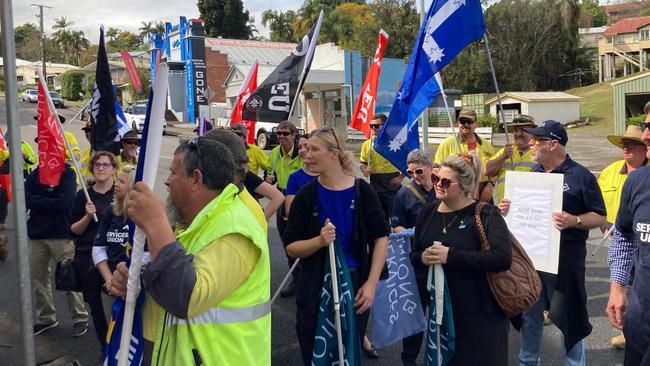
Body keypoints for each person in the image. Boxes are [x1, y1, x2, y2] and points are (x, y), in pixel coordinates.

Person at [110, 137, 271, 365]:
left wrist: (157, 224)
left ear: (196, 179)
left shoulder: (235, 229)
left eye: (173, 173)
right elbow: (180, 272)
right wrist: (139, 282)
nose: (166, 181)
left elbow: (187, 297)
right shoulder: (198, 222)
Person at [500, 120, 606, 366]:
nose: (531, 144)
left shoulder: (581, 176)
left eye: (537, 140)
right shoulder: (533, 175)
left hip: (566, 261)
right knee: (530, 316)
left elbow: (599, 216)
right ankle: (527, 361)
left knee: (570, 319)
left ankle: (574, 363)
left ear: (553, 144)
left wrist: (575, 219)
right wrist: (508, 209)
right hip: (533, 262)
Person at [284, 126, 390, 365]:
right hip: (314, 287)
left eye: (314, 149)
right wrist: (319, 241)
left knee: (348, 353)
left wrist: (371, 284)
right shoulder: (306, 195)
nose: (306, 154)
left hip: (353, 286)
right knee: (315, 353)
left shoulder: (362, 191)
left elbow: (381, 236)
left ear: (334, 153)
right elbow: (291, 246)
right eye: (306, 149)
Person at [411, 153, 511, 366]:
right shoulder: (428, 213)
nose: (438, 184)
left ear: (465, 186)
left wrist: (451, 256)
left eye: (445, 181)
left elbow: (502, 258)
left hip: (481, 316)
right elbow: (414, 255)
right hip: (442, 313)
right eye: (437, 178)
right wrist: (423, 257)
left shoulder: (486, 214)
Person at [606, 114, 650, 366]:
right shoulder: (637, 181)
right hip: (640, 320)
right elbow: (623, 234)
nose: (645, 136)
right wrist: (617, 286)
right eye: (646, 127)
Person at [27, 163, 89, 337]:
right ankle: (46, 318)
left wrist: (38, 201)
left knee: (69, 277)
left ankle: (80, 317)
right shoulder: (35, 174)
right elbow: (25, 198)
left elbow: (63, 202)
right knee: (39, 279)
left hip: (61, 233)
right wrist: (49, 200)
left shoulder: (67, 174)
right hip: (37, 234)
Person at [69, 151, 117, 351]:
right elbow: (73, 230)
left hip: (114, 258)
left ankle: (119, 351)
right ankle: (105, 350)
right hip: (87, 258)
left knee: (116, 308)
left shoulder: (120, 194)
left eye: (106, 165)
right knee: (96, 309)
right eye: (97, 165)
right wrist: (88, 216)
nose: (101, 168)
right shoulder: (83, 196)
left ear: (114, 169)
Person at [205, 128, 284, 222]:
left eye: (238, 134)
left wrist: (261, 221)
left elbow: (277, 196)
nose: (235, 137)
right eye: (232, 134)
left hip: (249, 211)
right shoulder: (213, 176)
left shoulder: (245, 171)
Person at [265, 120, 303, 296]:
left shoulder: (302, 153)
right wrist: (268, 180)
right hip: (281, 199)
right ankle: (297, 279)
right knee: (288, 245)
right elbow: (268, 175)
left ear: (294, 135)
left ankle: (308, 279)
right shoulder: (274, 153)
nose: (280, 136)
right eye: (278, 133)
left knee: (305, 243)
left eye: (285, 133)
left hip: (301, 198)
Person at [434, 108, 496, 202]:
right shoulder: (446, 144)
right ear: (457, 123)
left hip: (483, 192)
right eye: (462, 121)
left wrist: (490, 186)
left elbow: (495, 171)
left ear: (476, 124)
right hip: (456, 190)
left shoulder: (487, 145)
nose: (465, 125)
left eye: (469, 122)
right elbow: (436, 169)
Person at [360, 113, 404, 221]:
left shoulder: (395, 142)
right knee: (379, 216)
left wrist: (401, 177)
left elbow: (407, 162)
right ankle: (384, 236)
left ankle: (396, 236)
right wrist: (365, 170)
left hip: (392, 183)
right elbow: (362, 163)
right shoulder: (367, 144)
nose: (373, 129)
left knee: (395, 216)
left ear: (385, 126)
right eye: (371, 126)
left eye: (376, 126)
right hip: (375, 184)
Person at [485, 114, 537, 203]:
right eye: (515, 130)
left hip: (528, 208)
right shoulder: (506, 150)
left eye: (523, 130)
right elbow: (487, 171)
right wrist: (503, 156)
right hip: (503, 207)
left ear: (532, 132)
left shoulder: (539, 152)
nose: (518, 134)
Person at [391, 149, 439, 233]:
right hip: (416, 244)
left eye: (418, 171)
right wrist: (411, 234)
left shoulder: (442, 188)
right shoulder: (403, 194)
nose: (415, 176)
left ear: (430, 167)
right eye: (410, 172)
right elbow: (396, 225)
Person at [284, 133, 318, 214]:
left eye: (306, 146)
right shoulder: (294, 178)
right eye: (299, 147)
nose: (302, 150)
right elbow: (290, 212)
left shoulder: (327, 175)